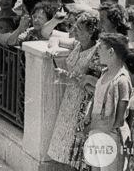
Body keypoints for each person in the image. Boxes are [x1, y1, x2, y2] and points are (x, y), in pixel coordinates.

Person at [47, 11, 102, 169]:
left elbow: (93, 84)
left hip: (83, 105)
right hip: (69, 100)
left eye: (79, 28)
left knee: (75, 150)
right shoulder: (77, 44)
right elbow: (53, 36)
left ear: (91, 32)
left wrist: (69, 77)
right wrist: (53, 48)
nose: (74, 30)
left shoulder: (97, 52)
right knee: (62, 147)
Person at [86, 33, 131, 171]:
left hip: (111, 136)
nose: (97, 51)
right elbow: (97, 97)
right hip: (97, 131)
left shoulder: (122, 80)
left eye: (100, 48)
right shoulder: (104, 73)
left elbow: (120, 118)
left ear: (111, 52)